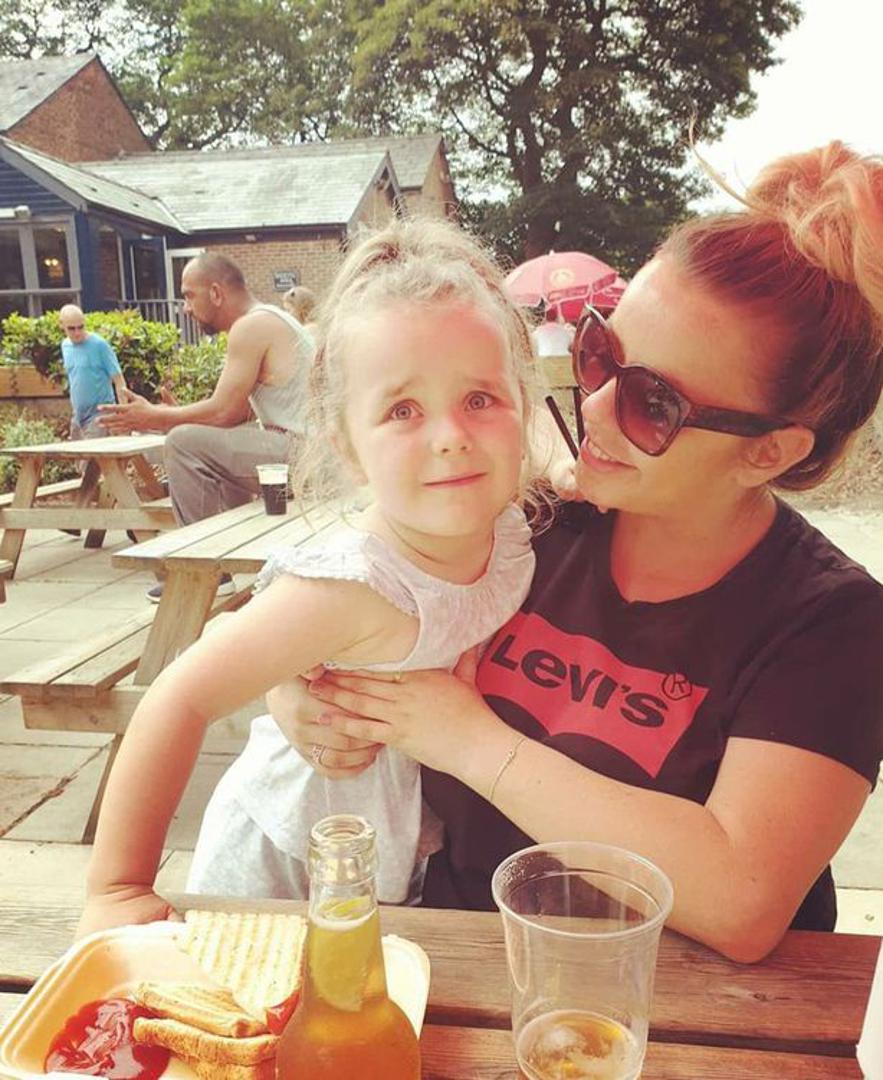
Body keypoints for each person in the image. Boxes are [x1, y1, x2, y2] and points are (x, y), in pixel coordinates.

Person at [270, 141, 883, 963]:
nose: (591, 407)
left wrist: (466, 739)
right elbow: (336, 596)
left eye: (651, 402)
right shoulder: (524, 520)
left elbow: (740, 897)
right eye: (600, 355)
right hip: (460, 958)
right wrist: (299, 696)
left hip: (678, 1004)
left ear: (767, 452)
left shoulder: (830, 622)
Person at [77, 218, 543, 935]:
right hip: (278, 862)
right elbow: (179, 696)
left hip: (385, 861)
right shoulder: (350, 587)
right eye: (403, 410)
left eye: (480, 399)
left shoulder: (511, 532)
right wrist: (119, 887)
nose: (451, 435)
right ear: (347, 448)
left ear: (523, 406)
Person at [98, 253, 314, 601]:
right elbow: (236, 414)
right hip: (307, 455)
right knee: (200, 440)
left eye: (188, 295)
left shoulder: (251, 326)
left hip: (307, 459)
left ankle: (205, 573)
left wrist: (155, 417)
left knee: (183, 443)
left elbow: (223, 411)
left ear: (215, 293)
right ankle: (229, 554)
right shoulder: (268, 320)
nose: (185, 308)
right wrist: (175, 414)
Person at [59, 304, 127, 439]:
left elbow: (119, 380)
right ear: (62, 325)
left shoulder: (99, 345)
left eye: (81, 327)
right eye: (71, 329)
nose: (77, 332)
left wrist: (124, 416)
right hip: (78, 416)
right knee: (77, 453)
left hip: (100, 414)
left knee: (93, 452)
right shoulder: (65, 346)